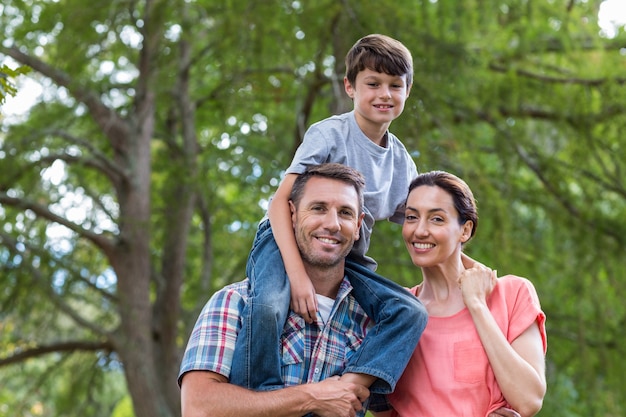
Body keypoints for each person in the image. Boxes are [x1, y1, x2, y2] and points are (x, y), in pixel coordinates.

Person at [231, 34, 428, 393]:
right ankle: (262, 397)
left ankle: (350, 384)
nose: (384, 94)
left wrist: (465, 266)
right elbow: (279, 204)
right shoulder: (329, 134)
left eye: (395, 85)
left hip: (346, 255)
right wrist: (298, 277)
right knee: (269, 308)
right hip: (284, 240)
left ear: (408, 90)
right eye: (373, 83)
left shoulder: (401, 163)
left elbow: (422, 225)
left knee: (409, 311)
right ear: (350, 86)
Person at [179, 163, 426, 417]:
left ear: (359, 225)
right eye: (318, 208)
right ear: (292, 215)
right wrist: (312, 398)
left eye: (345, 213)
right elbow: (198, 408)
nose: (332, 224)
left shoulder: (373, 324)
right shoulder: (235, 303)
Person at [370, 171, 547, 417]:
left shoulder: (512, 293)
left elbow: (528, 400)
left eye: (437, 219)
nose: (419, 230)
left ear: (465, 230)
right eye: (411, 217)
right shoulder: (396, 312)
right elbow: (383, 411)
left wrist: (476, 304)